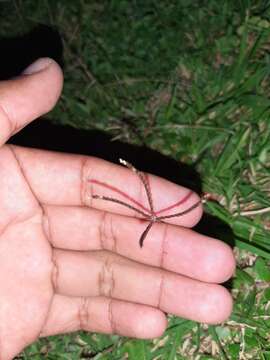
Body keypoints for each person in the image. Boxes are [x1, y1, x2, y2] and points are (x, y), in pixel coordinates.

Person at [0, 58, 235, 360]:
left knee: (167, 206)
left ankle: (173, 195)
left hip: (154, 217)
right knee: (124, 195)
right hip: (144, 217)